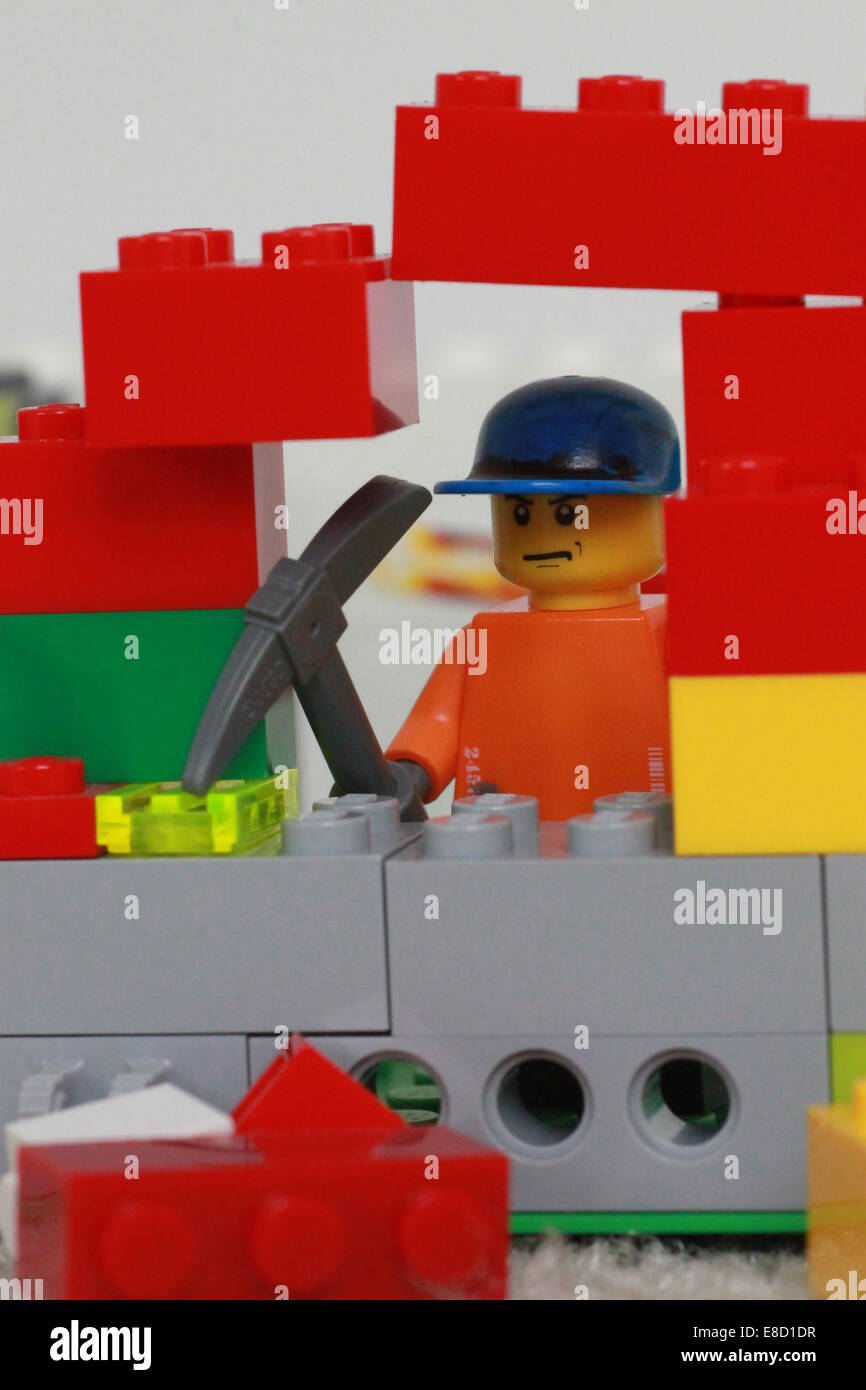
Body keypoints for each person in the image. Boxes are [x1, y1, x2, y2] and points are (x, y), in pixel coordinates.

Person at [386, 376, 680, 820]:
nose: (542, 535)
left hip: (642, 832)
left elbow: (714, 721)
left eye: (569, 514)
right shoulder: (483, 639)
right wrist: (409, 773)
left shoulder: (668, 633)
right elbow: (437, 721)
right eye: (520, 513)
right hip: (501, 832)